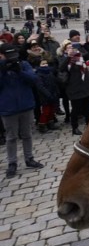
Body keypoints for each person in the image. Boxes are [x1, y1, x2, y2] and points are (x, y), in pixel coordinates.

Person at [0, 43, 45, 178]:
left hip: (26, 105)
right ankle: (12, 163)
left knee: (27, 134)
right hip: (8, 108)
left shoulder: (23, 64)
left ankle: (29, 158)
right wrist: (3, 70)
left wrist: (20, 71)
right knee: (11, 137)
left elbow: (34, 79)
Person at [58, 42, 89, 135]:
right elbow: (61, 68)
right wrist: (69, 57)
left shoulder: (81, 57)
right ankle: (75, 127)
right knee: (76, 109)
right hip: (74, 88)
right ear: (65, 50)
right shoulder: (65, 59)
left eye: (72, 47)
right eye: (68, 48)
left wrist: (84, 45)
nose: (71, 49)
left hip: (85, 86)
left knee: (88, 109)